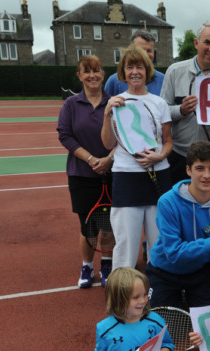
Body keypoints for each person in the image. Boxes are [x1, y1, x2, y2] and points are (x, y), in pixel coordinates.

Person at [101, 45, 173, 269]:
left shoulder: (159, 103)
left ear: (147, 70)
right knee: (126, 243)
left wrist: (158, 157)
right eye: (129, 67)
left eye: (139, 67)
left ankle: (158, 293)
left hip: (158, 176)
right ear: (123, 71)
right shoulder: (115, 102)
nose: (135, 72)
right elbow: (108, 144)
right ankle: (122, 298)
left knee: (158, 241)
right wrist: (106, 113)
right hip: (126, 177)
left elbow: (168, 142)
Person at [146, 141, 210, 308]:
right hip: (164, 272)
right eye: (200, 168)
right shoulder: (167, 202)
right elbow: (173, 253)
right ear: (188, 170)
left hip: (200, 272)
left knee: (209, 326)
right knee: (160, 325)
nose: (207, 175)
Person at [160, 22, 210, 191]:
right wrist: (181, 110)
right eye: (207, 42)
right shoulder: (175, 71)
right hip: (182, 156)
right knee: (181, 210)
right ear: (197, 43)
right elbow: (162, 112)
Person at [57, 54, 114, 288]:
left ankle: (108, 265)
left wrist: (109, 159)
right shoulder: (71, 104)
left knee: (109, 224)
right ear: (79, 76)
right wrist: (91, 159)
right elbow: (65, 135)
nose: (93, 75)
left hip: (111, 172)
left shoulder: (114, 101)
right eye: (87, 71)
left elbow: (124, 137)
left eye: (97, 70)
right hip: (81, 173)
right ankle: (87, 267)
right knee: (87, 226)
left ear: (103, 74)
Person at [105, 30, 165, 96]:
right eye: (140, 50)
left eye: (149, 50)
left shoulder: (163, 80)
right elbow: (105, 105)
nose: (145, 54)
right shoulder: (114, 81)